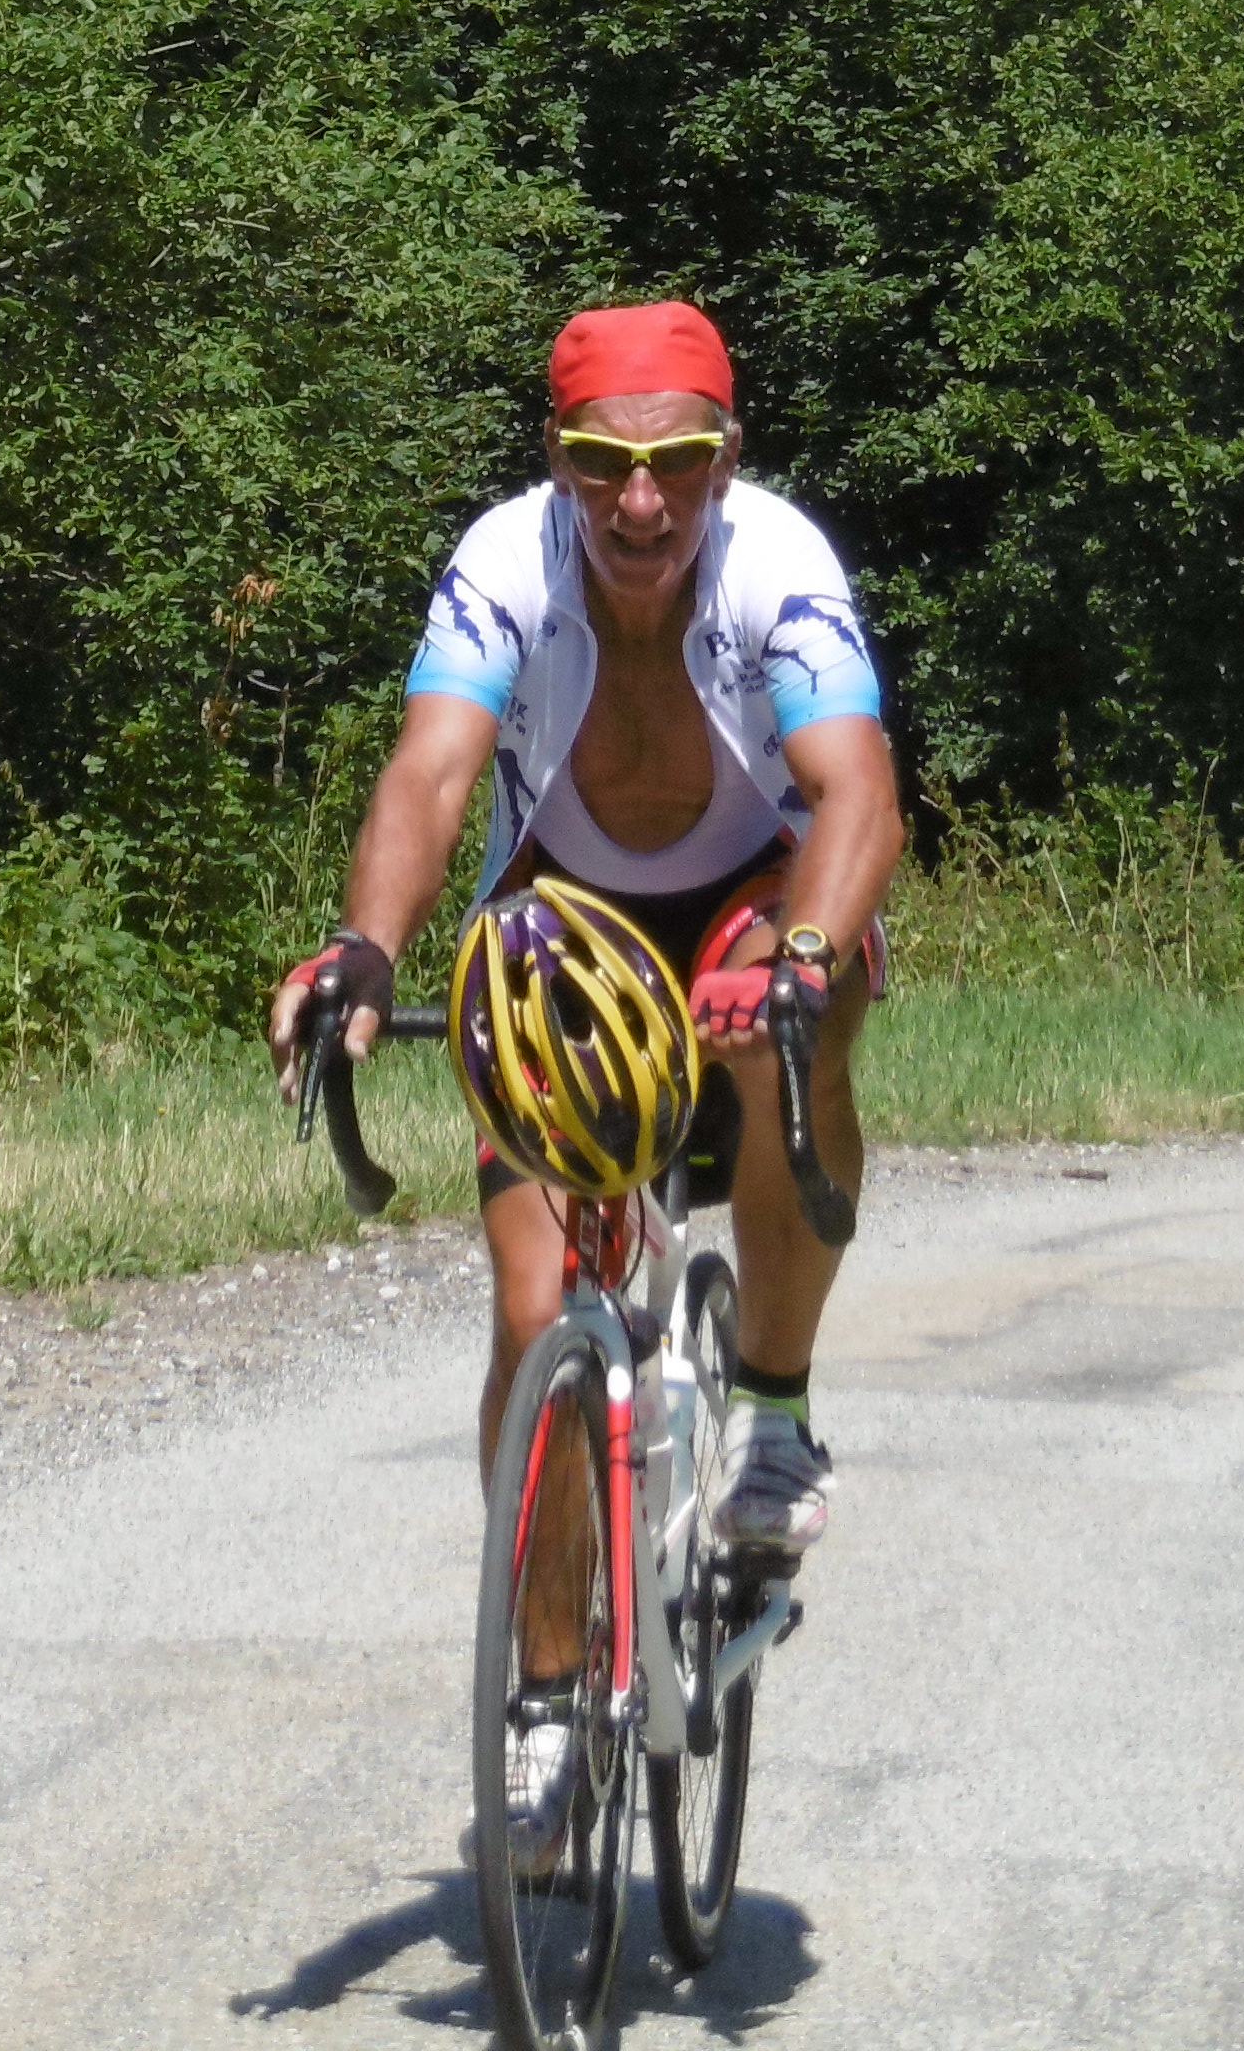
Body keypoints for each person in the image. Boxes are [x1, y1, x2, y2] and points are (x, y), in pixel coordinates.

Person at [269, 296, 903, 1576]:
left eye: (677, 462)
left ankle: (774, 1412)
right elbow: (432, 771)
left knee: (795, 1012)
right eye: (603, 464)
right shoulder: (507, 562)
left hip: (752, 898)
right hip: (568, 921)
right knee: (534, 1312)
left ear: (726, 461)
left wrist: (806, 961)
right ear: (558, 461)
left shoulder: (779, 563)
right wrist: (366, 949)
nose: (641, 504)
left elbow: (859, 792)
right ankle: (550, 1709)